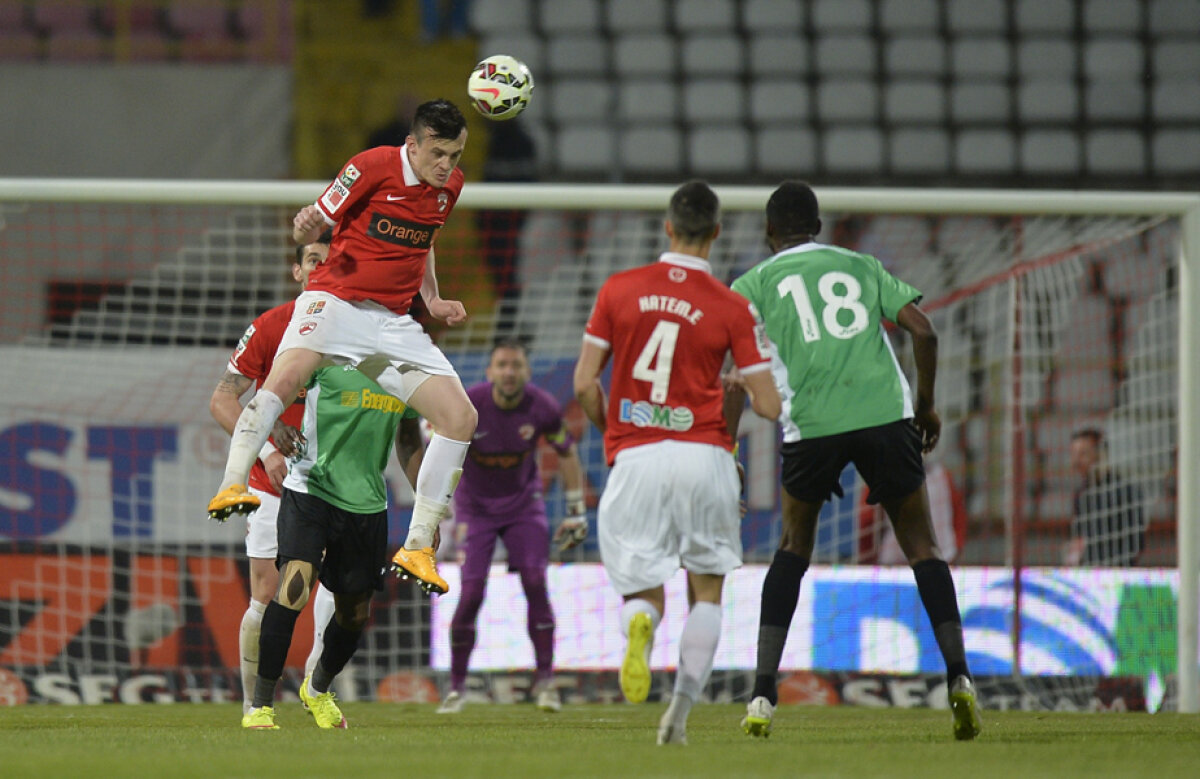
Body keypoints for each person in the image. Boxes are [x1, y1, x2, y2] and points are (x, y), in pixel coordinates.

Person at [729, 181, 981, 741]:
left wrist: (727, 448)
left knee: (794, 546)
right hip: (885, 417)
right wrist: (926, 407)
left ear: (770, 232)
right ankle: (960, 678)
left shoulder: (752, 283)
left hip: (812, 424)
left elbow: (736, 372)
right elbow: (924, 330)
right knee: (922, 545)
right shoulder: (862, 264)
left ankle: (763, 694)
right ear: (817, 226)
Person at [207, 99, 478, 598]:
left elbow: (426, 240)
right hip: (335, 303)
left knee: (461, 418)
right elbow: (312, 220)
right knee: (283, 381)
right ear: (412, 145)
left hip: (394, 321)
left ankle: (418, 545)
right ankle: (233, 482)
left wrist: (433, 300)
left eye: (456, 156)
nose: (447, 165)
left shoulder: (450, 189)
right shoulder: (371, 166)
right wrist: (303, 224)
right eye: (438, 153)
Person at [573, 181, 782, 745]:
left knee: (642, 591)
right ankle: (678, 718)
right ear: (716, 233)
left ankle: (640, 624)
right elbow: (768, 405)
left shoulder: (618, 290)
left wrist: (616, 432)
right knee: (707, 593)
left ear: (666, 228)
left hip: (635, 456)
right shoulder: (733, 306)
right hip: (705, 457)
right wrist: (735, 380)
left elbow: (584, 384)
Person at [241, 363, 425, 729]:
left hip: (366, 504)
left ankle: (318, 688)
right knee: (294, 584)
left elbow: (408, 440)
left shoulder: (406, 368)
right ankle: (261, 707)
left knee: (354, 612)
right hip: (310, 490)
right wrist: (277, 429)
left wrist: (426, 511)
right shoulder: (324, 354)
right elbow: (269, 399)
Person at [209, 232, 339, 716]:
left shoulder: (359, 331)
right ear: (298, 271)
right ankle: (253, 708)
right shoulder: (271, 326)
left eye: (330, 261)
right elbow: (223, 399)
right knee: (266, 592)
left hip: (332, 485)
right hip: (273, 484)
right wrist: (265, 452)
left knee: (336, 590)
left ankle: (316, 688)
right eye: (312, 260)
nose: (320, 267)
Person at [438, 338, 587, 715]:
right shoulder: (470, 406)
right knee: (471, 594)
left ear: (526, 371)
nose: (509, 372)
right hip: (476, 512)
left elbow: (566, 451)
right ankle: (456, 688)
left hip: (524, 507)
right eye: (502, 365)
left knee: (535, 582)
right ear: (490, 372)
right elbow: (439, 451)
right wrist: (438, 505)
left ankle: (547, 682)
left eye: (515, 365)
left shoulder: (543, 407)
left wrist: (575, 510)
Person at [1063, 428, 1146, 566]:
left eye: (1083, 454)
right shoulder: (1081, 495)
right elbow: (1078, 539)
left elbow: (1136, 543)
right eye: (1074, 454)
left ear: (1101, 455)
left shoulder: (1125, 491)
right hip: (1088, 574)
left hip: (1118, 573)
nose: (1076, 461)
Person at [861, 460, 968, 565]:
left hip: (913, 561)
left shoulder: (942, 476)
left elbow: (959, 516)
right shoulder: (942, 475)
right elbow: (867, 521)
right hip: (923, 560)